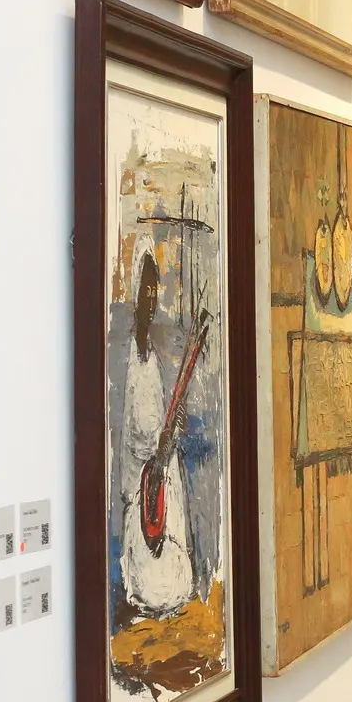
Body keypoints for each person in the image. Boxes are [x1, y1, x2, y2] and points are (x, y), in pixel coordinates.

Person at [121, 252, 195, 618]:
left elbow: (161, 422)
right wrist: (157, 451)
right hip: (145, 475)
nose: (151, 300)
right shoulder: (129, 358)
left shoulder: (153, 355)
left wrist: (174, 429)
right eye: (145, 291)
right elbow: (132, 436)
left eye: (154, 291)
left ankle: (172, 590)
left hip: (162, 466)